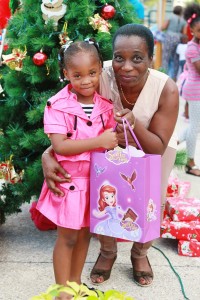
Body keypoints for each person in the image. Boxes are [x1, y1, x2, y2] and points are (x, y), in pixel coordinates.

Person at [41, 24, 179, 287]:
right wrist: (49, 153)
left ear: (151, 57)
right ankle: (107, 253)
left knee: (151, 200)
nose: (126, 66)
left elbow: (157, 147)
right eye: (119, 57)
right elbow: (71, 121)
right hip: (108, 142)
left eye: (137, 58)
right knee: (106, 194)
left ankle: (140, 254)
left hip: (154, 144)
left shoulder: (166, 88)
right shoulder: (95, 72)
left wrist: (134, 123)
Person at [36, 39, 118, 287]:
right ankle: (62, 290)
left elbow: (112, 141)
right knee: (67, 237)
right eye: (77, 75)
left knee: (84, 236)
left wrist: (117, 133)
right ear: (66, 74)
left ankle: (76, 283)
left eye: (92, 73)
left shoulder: (106, 107)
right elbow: (60, 146)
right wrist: (99, 140)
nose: (86, 81)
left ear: (100, 70)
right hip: (69, 183)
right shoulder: (57, 105)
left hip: (96, 183)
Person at [178, 3, 200, 177]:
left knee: (195, 125)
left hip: (196, 90)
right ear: (191, 30)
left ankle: (172, 143)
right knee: (194, 126)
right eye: (198, 30)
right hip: (195, 90)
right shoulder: (193, 47)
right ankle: (190, 163)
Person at [161, 5, 186, 81]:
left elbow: (163, 27)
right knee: (175, 59)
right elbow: (183, 32)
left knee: (166, 57)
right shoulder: (183, 21)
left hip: (169, 37)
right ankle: (174, 78)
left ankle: (163, 76)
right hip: (178, 38)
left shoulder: (170, 17)